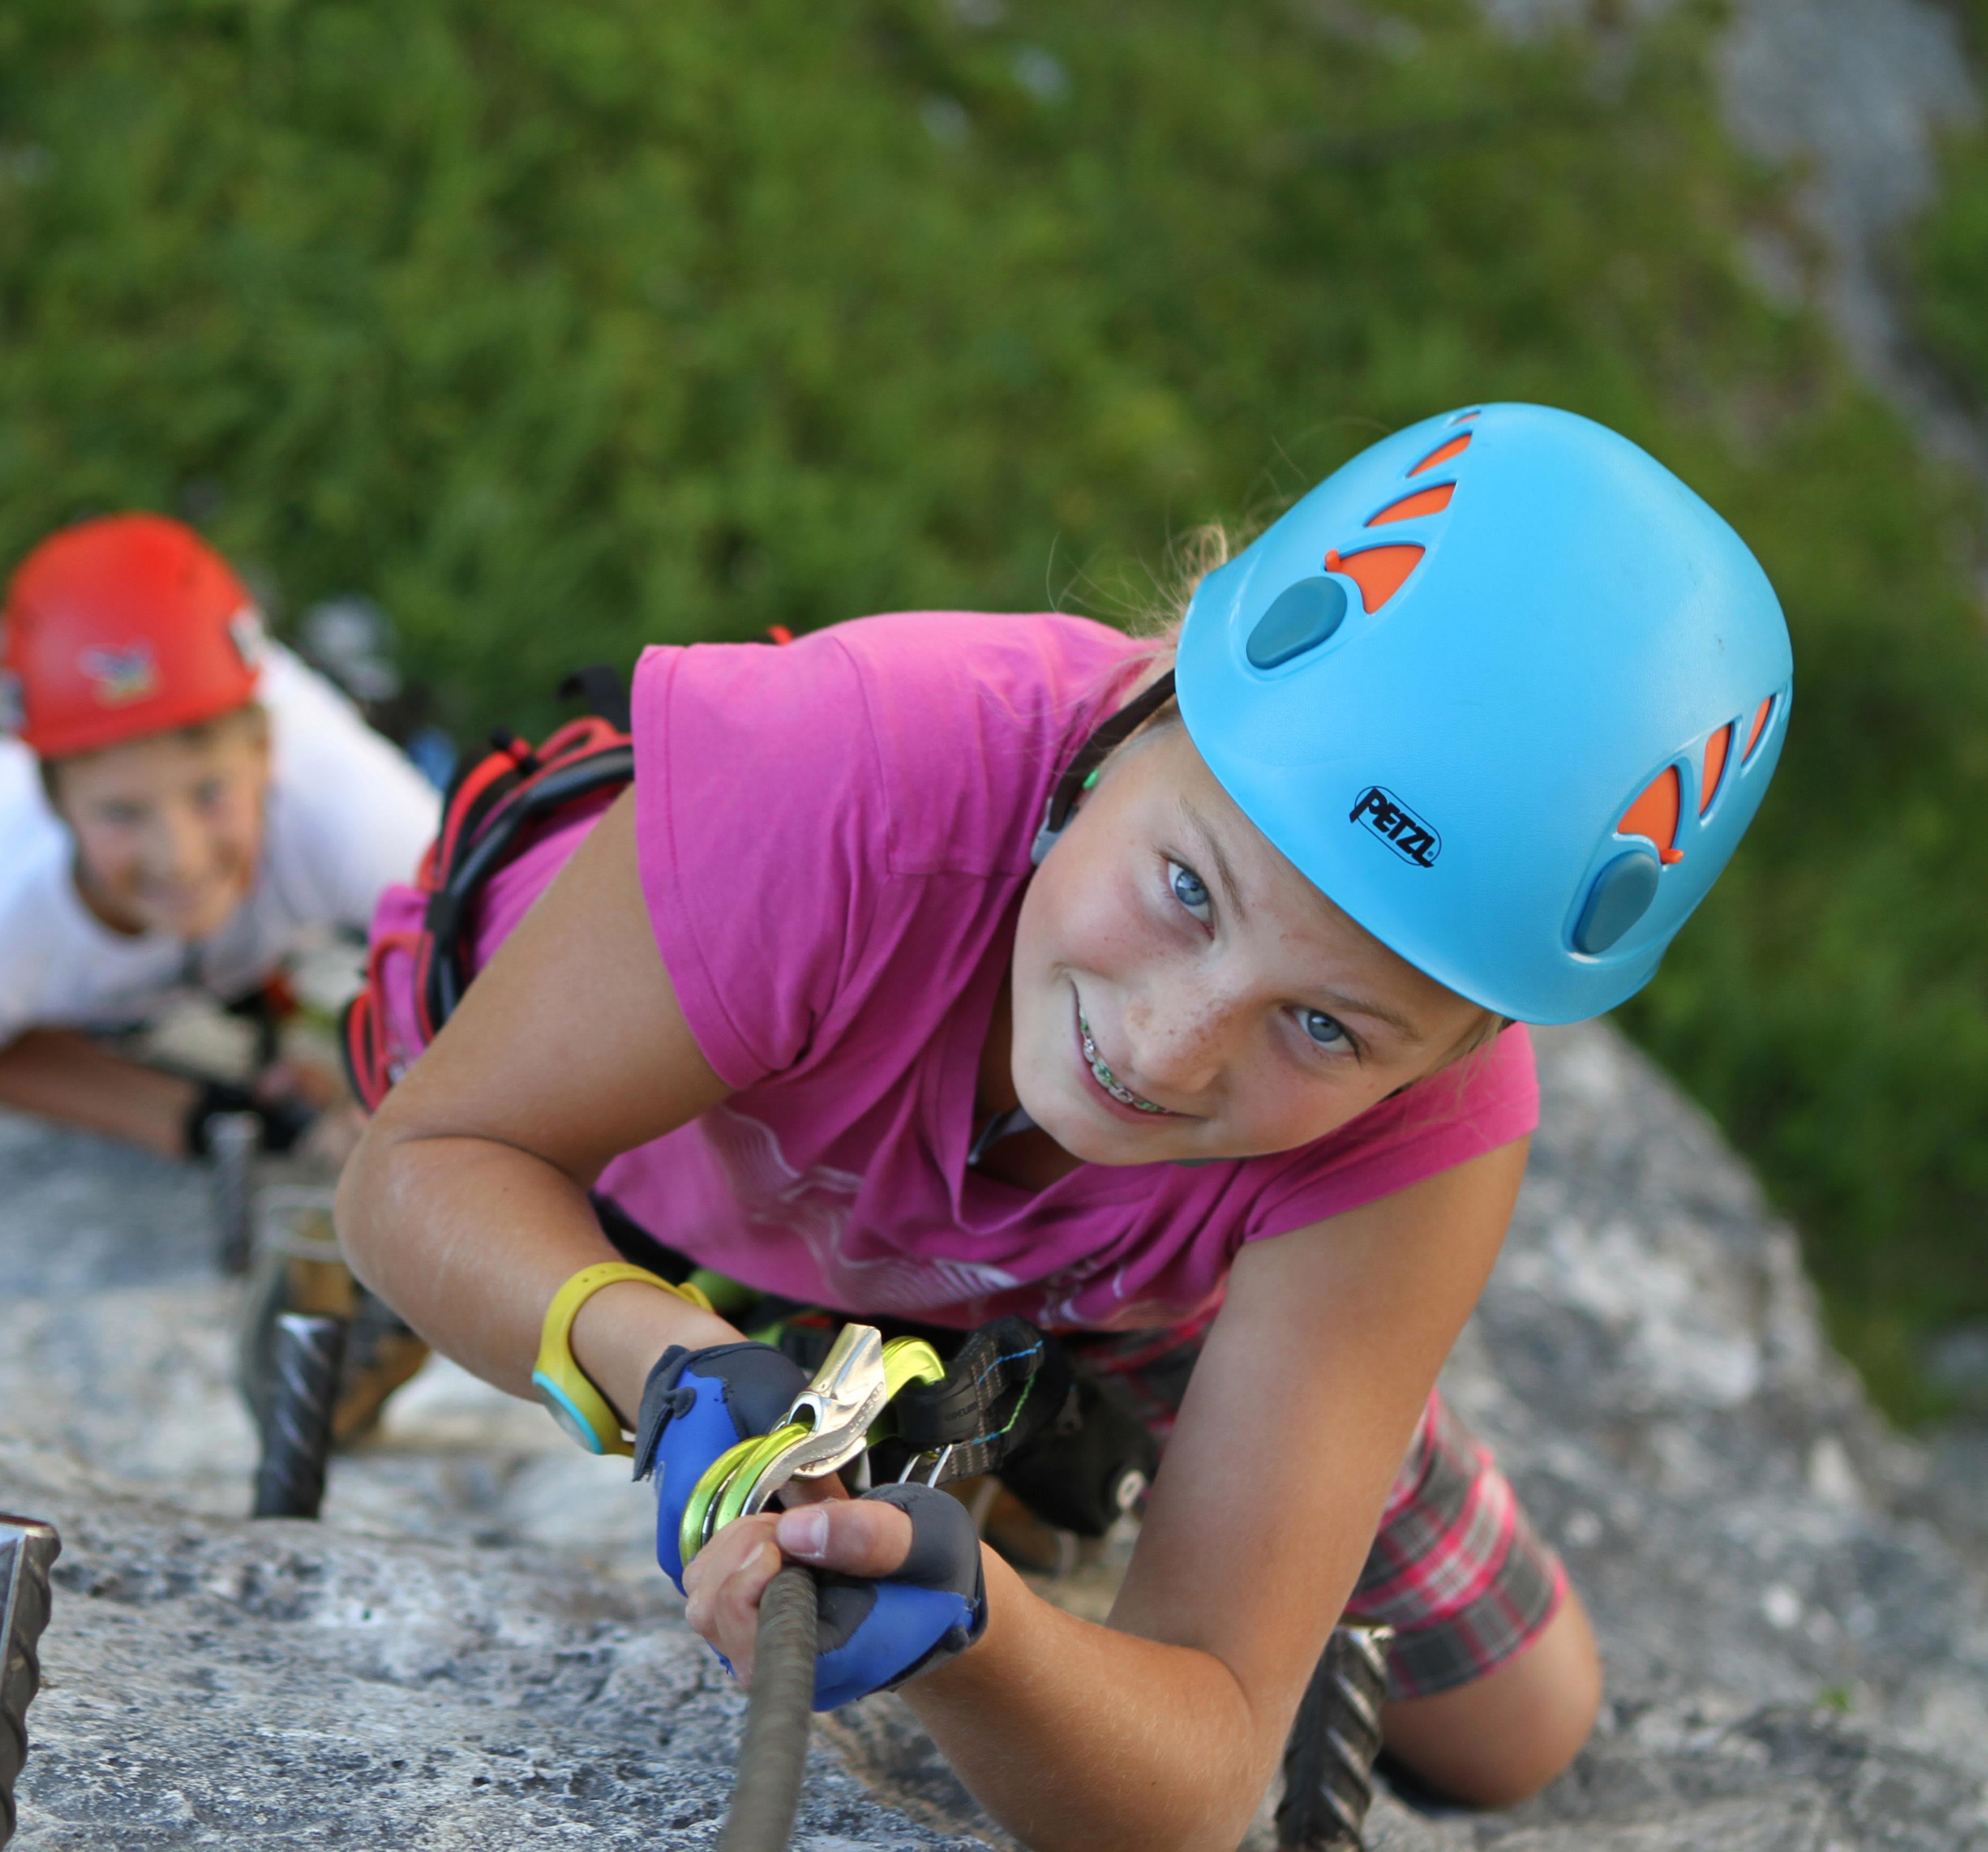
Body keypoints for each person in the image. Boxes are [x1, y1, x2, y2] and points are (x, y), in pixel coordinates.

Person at [337, 405, 1792, 1845]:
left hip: (1094, 1252)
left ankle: (1027, 1404)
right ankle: (977, 1394)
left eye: (1327, 1026)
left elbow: (1208, 1759)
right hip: (655, 1145)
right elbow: (419, 1169)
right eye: (1188, 890)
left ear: (1465, 1050)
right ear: (1151, 707)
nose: (1161, 1052)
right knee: (488, 1241)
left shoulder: (1420, 1138)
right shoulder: (854, 771)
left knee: (1512, 1726)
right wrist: (660, 1362)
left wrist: (977, 1631)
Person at [0, 513, 439, 1162]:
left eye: (210, 794)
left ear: (267, 752)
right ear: (51, 802)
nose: (180, 858)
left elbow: (497, 962)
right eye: (121, 814)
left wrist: (399, 1095)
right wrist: (201, 1119)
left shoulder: (362, 819)